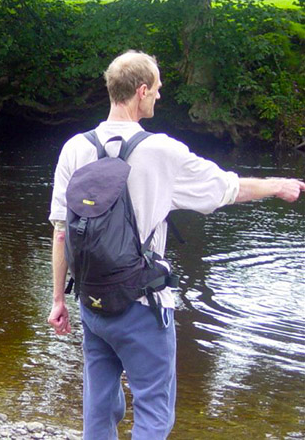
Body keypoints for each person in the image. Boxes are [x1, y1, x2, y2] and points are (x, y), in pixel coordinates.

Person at [47, 51, 305, 439]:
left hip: (92, 301)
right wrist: (277, 186)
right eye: (158, 90)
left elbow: (63, 231)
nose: (160, 98)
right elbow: (226, 188)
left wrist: (58, 300)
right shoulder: (161, 151)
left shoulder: (75, 148)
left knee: (98, 408)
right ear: (141, 90)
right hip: (141, 307)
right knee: (154, 412)